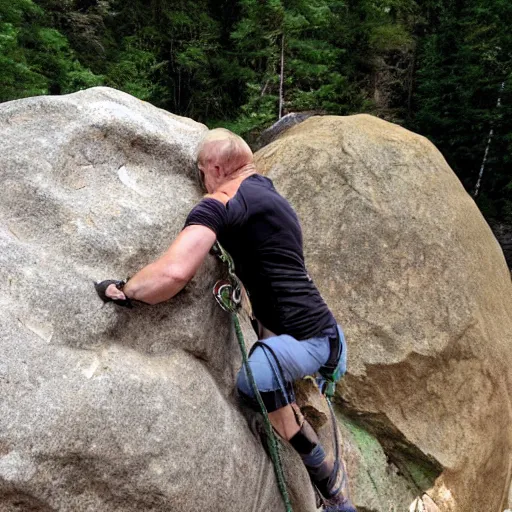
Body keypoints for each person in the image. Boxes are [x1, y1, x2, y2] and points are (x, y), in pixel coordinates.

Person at [95, 128, 356, 512]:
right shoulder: (270, 194)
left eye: (202, 172)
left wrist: (125, 289)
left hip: (308, 345)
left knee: (254, 382)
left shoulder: (221, 202)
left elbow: (173, 274)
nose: (202, 181)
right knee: (268, 371)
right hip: (327, 335)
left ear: (216, 168)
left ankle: (329, 484)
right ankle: (321, 470)